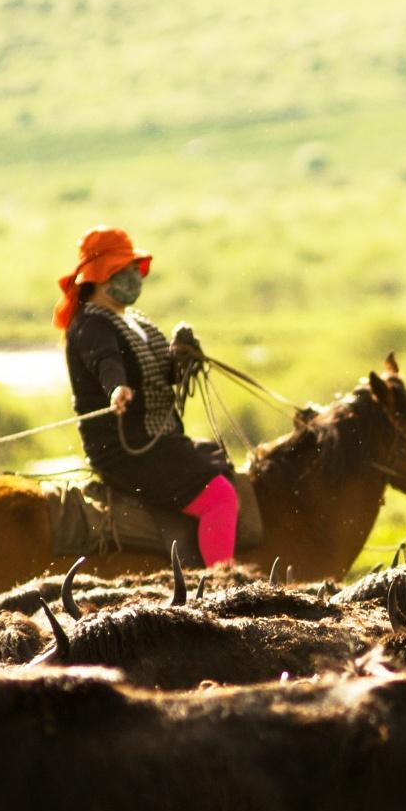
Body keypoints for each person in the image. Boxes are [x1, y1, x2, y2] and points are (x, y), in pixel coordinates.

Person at [54, 226, 246, 566]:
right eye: (123, 269)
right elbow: (106, 361)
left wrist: (181, 358)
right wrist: (116, 388)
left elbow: (160, 374)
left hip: (159, 441)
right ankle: (224, 587)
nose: (132, 276)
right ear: (101, 275)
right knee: (221, 498)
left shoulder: (134, 320)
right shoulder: (91, 325)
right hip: (128, 451)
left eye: (132, 268)